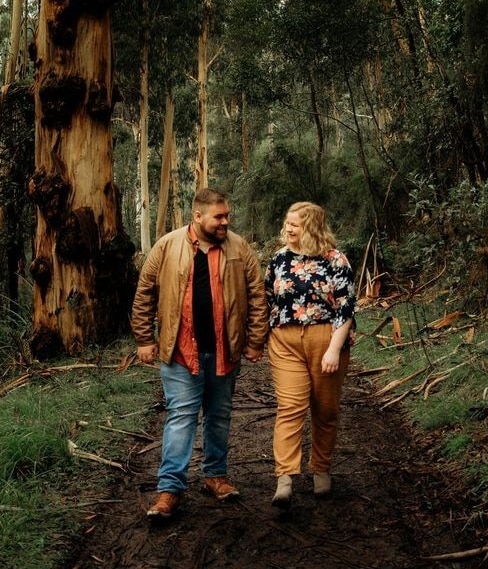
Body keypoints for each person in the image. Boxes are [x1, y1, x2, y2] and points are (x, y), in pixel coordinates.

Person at [132, 187, 268, 519]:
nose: (225, 221)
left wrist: (254, 340)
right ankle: (169, 491)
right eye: (219, 216)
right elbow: (145, 292)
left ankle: (215, 476)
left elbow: (256, 295)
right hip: (181, 352)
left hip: (225, 352)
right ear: (198, 216)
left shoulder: (239, 248)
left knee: (219, 416)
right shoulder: (168, 245)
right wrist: (144, 339)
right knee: (181, 419)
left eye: (227, 216)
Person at [264, 201, 356, 508]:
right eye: (287, 223)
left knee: (325, 409)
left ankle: (321, 469)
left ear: (312, 228)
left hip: (326, 339)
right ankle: (285, 479)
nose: (288, 229)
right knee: (290, 406)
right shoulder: (278, 260)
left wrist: (333, 349)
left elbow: (345, 308)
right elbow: (267, 300)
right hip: (285, 340)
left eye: (295, 225)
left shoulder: (335, 260)